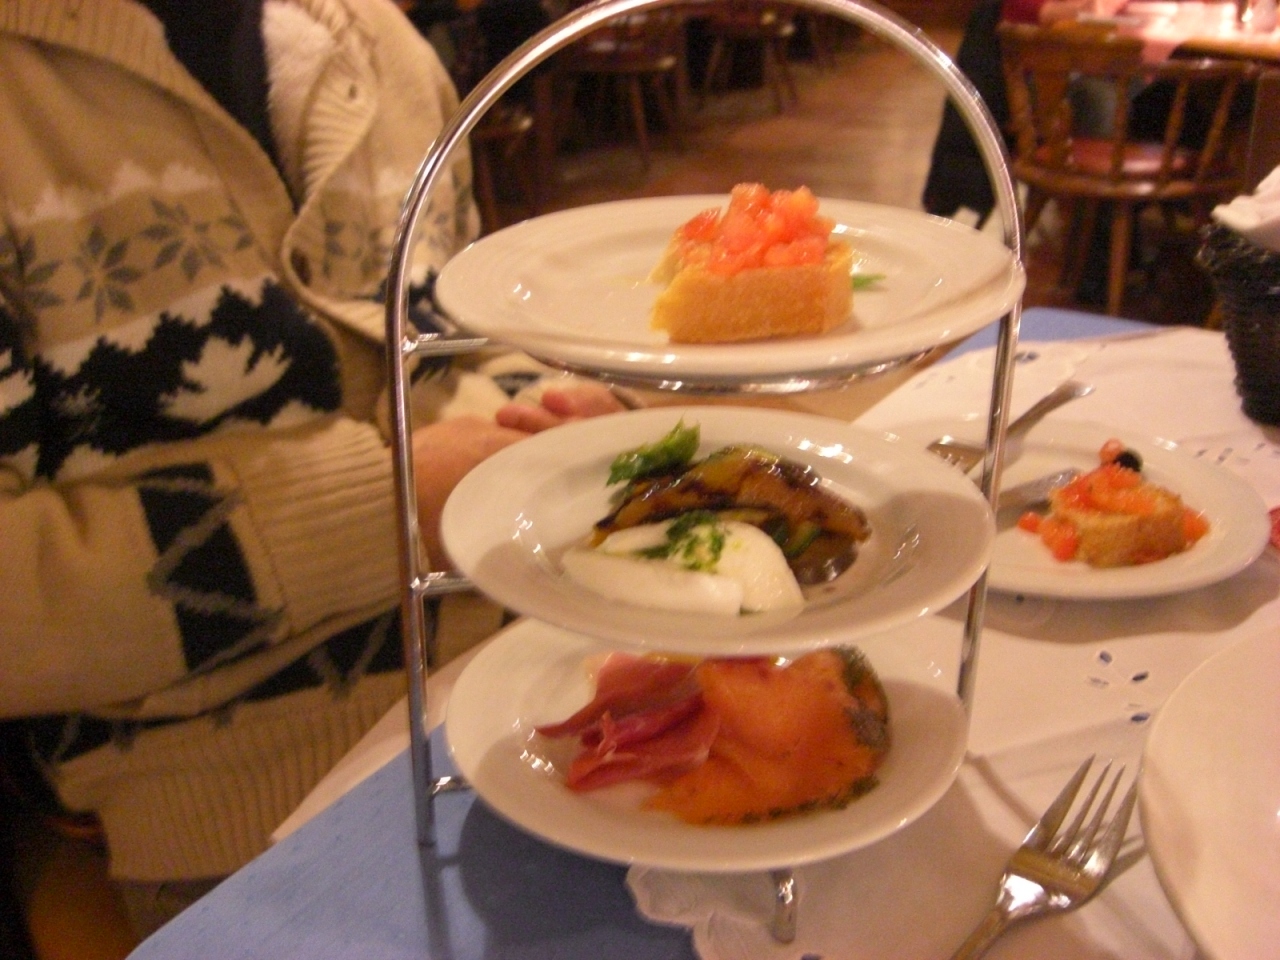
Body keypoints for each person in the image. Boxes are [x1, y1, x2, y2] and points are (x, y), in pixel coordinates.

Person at [0, 0, 623, 940]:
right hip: (234, 814)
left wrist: (561, 417)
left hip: (548, 695)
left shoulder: (380, 48)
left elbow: (456, 339)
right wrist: (386, 507)